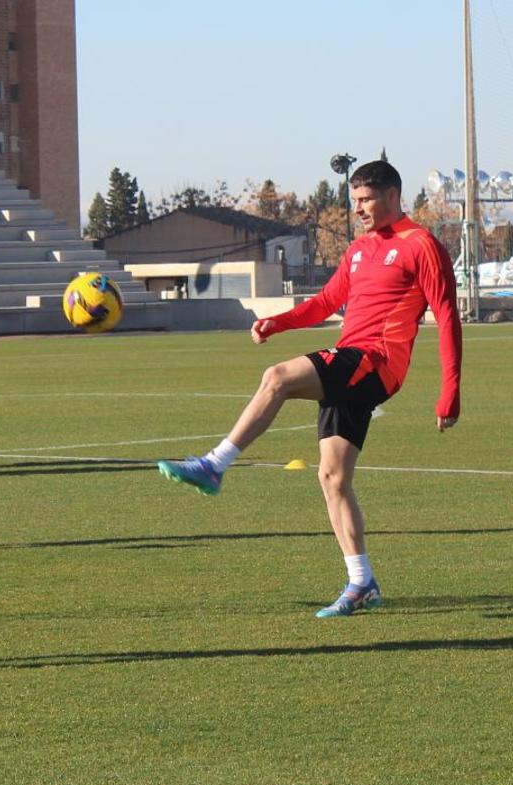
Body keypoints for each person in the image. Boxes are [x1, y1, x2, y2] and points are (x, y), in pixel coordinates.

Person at [157, 160, 462, 618]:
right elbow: (325, 303)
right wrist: (277, 323)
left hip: (374, 362)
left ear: (393, 196)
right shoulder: (360, 249)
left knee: (277, 378)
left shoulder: (421, 246)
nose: (358, 209)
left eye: (366, 200)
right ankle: (362, 583)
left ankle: (215, 465)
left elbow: (448, 317)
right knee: (332, 478)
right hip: (352, 363)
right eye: (354, 200)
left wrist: (449, 392)